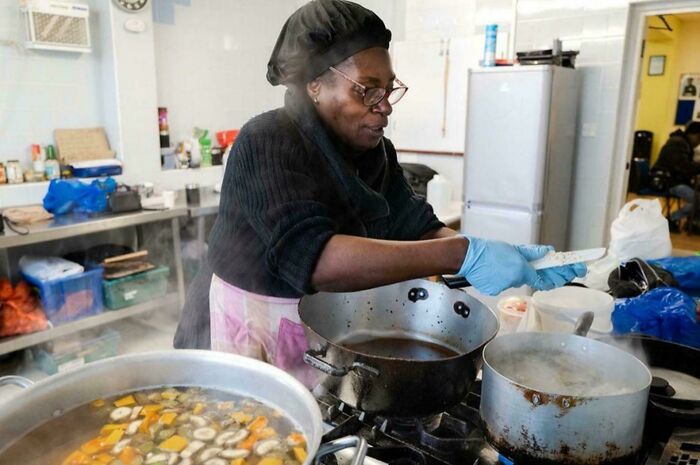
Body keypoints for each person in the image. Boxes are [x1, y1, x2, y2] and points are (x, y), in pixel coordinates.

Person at [174, 0, 586, 381]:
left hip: (314, 321)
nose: (385, 104)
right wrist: (464, 253)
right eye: (367, 89)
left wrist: (487, 249)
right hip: (246, 319)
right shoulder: (267, 139)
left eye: (388, 89)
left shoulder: (375, 151)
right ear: (315, 84)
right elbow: (315, 259)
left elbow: (415, 225)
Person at [651, 122, 700, 232]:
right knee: (697, 200)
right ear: (694, 135)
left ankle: (692, 223)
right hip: (667, 181)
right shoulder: (678, 143)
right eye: (699, 138)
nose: (698, 143)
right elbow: (684, 166)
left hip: (673, 179)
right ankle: (670, 220)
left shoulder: (682, 143)